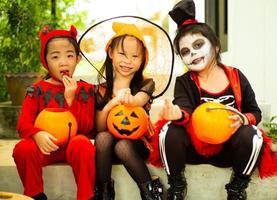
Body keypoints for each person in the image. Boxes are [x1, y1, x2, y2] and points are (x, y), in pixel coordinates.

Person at [150, 0, 268, 199]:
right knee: (167, 131)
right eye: (185, 51)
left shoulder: (236, 76)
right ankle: (177, 185)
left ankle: (237, 188)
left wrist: (244, 119)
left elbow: (254, 111)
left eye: (198, 45)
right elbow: (184, 107)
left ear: (216, 45)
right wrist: (177, 113)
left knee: (254, 135)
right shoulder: (184, 81)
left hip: (229, 147)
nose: (193, 53)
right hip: (195, 149)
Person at [13, 25, 96, 200]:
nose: (63, 62)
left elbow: (87, 127)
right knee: (23, 148)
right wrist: (37, 135)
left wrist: (71, 100)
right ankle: (35, 194)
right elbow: (23, 125)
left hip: (72, 147)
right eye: (55, 56)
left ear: (78, 59)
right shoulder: (37, 90)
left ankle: (86, 195)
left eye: (69, 56)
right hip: (46, 149)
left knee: (83, 143)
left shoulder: (85, 90)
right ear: (46, 61)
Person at [94, 22, 163, 200]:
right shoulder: (102, 90)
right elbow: (99, 127)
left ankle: (151, 193)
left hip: (136, 145)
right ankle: (103, 193)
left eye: (135, 56)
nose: (127, 61)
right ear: (110, 53)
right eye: (122, 54)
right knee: (103, 138)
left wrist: (131, 100)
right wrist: (111, 104)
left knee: (122, 145)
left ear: (142, 61)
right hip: (108, 150)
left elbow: (141, 99)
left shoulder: (145, 85)